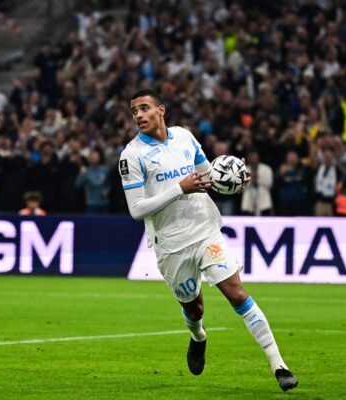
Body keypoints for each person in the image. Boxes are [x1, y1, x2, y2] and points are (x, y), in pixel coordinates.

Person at [118, 89, 298, 391]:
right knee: (195, 310)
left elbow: (207, 177)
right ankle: (198, 336)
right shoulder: (131, 156)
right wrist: (180, 188)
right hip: (171, 243)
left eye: (144, 108)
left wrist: (234, 178)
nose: (138, 115)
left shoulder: (184, 137)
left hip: (205, 230)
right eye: (134, 111)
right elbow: (137, 210)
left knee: (236, 293)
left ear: (161, 110)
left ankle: (279, 365)